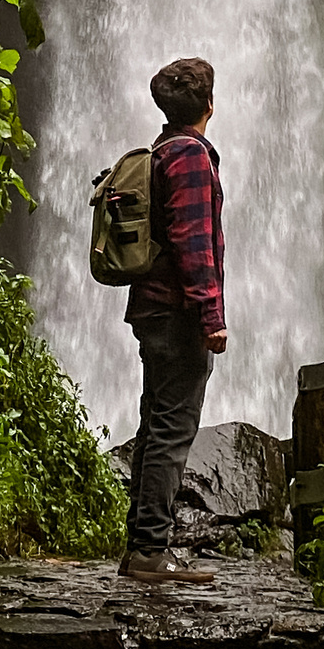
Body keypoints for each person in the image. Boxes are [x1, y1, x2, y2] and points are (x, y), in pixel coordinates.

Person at [120, 55, 227, 586]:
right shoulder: (188, 155)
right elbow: (192, 242)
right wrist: (211, 315)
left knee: (155, 423)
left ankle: (140, 545)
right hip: (175, 313)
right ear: (208, 105)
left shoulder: (163, 150)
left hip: (153, 307)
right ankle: (149, 551)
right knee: (172, 426)